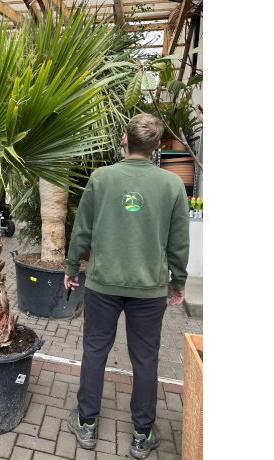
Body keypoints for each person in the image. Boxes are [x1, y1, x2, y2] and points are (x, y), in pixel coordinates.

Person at [64, 113, 190, 459]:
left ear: (125, 139)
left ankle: (86, 424)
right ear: (156, 147)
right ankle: (142, 433)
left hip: (103, 284)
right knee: (145, 358)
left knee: (95, 351)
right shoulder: (172, 185)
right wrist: (177, 281)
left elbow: (82, 229)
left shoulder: (101, 178)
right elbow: (179, 242)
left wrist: (72, 266)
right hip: (149, 288)